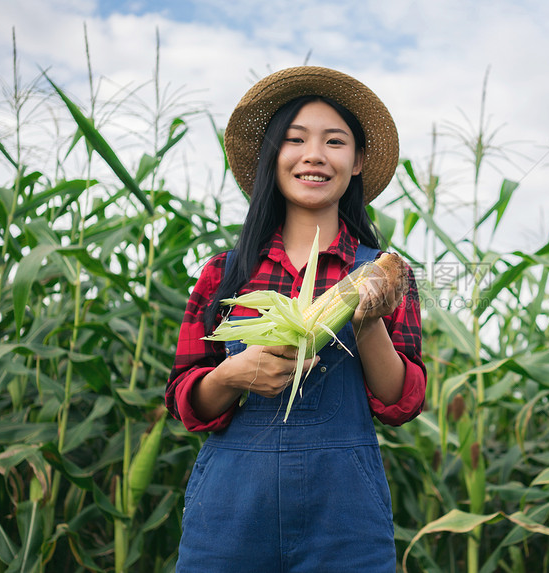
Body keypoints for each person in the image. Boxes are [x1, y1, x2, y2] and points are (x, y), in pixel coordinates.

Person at [165, 66, 426, 572]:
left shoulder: (383, 274)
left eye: (335, 141)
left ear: (357, 162)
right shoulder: (224, 273)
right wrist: (231, 375)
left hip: (345, 522)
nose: (314, 155)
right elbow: (184, 400)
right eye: (294, 139)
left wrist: (367, 322)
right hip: (230, 516)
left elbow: (401, 401)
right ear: (272, 158)